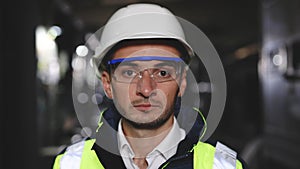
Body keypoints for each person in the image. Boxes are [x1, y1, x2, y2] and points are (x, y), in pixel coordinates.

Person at [53, 3, 247, 169]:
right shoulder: (70, 164)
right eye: (129, 73)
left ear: (182, 81)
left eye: (162, 73)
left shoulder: (222, 166)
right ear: (107, 83)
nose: (145, 89)